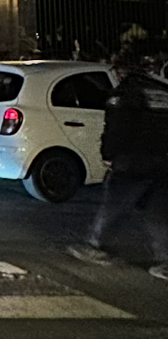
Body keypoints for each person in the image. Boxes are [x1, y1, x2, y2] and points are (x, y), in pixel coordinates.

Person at [69, 53, 168, 280]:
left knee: (114, 204)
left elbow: (117, 128)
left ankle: (97, 246)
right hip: (162, 161)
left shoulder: (125, 94)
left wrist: (109, 155)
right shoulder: (162, 92)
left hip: (132, 161)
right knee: (159, 212)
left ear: (122, 71)